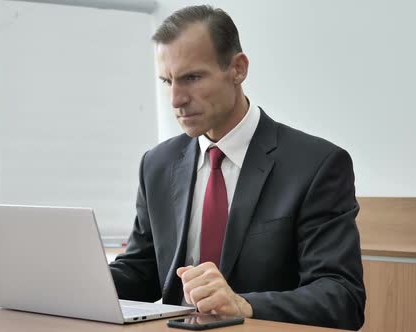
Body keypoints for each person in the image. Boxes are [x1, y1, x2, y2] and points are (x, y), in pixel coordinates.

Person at [109, 5, 365, 330]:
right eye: (167, 81)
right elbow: (142, 271)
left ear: (238, 69)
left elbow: (342, 298)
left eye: (192, 77)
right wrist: (76, 280)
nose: (175, 99)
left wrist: (244, 304)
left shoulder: (317, 165)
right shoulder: (157, 165)